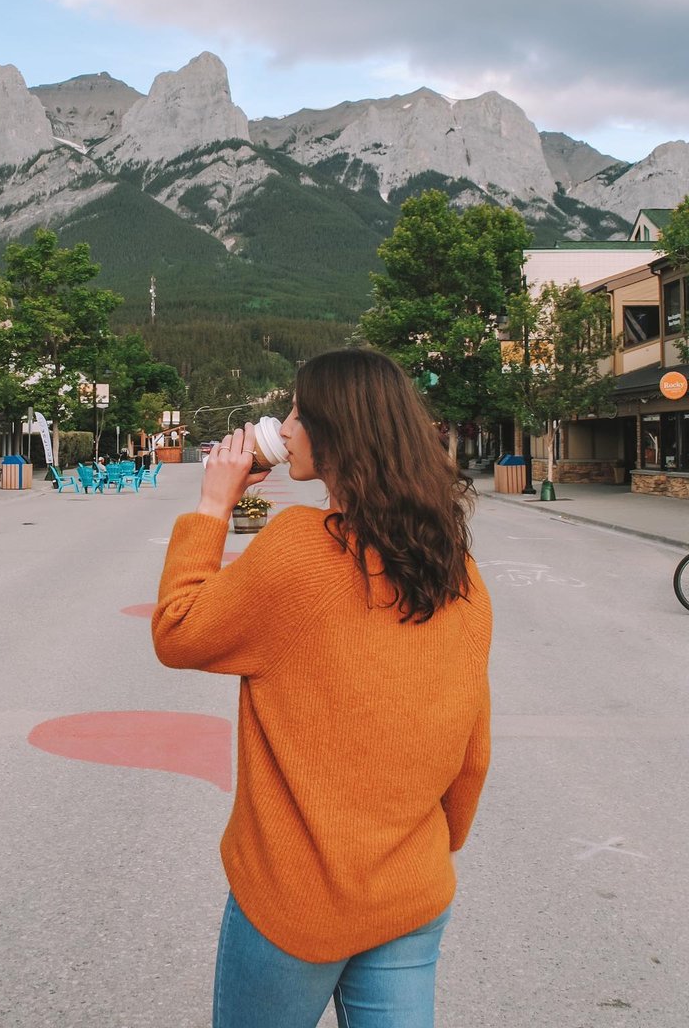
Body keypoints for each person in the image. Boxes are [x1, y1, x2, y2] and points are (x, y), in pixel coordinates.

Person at [151, 348, 491, 1028]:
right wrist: (418, 849)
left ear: (338, 434)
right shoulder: (456, 570)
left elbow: (178, 629)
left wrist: (214, 504)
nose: (285, 427)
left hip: (296, 901)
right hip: (410, 892)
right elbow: (471, 752)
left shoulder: (302, 550)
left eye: (299, 414)